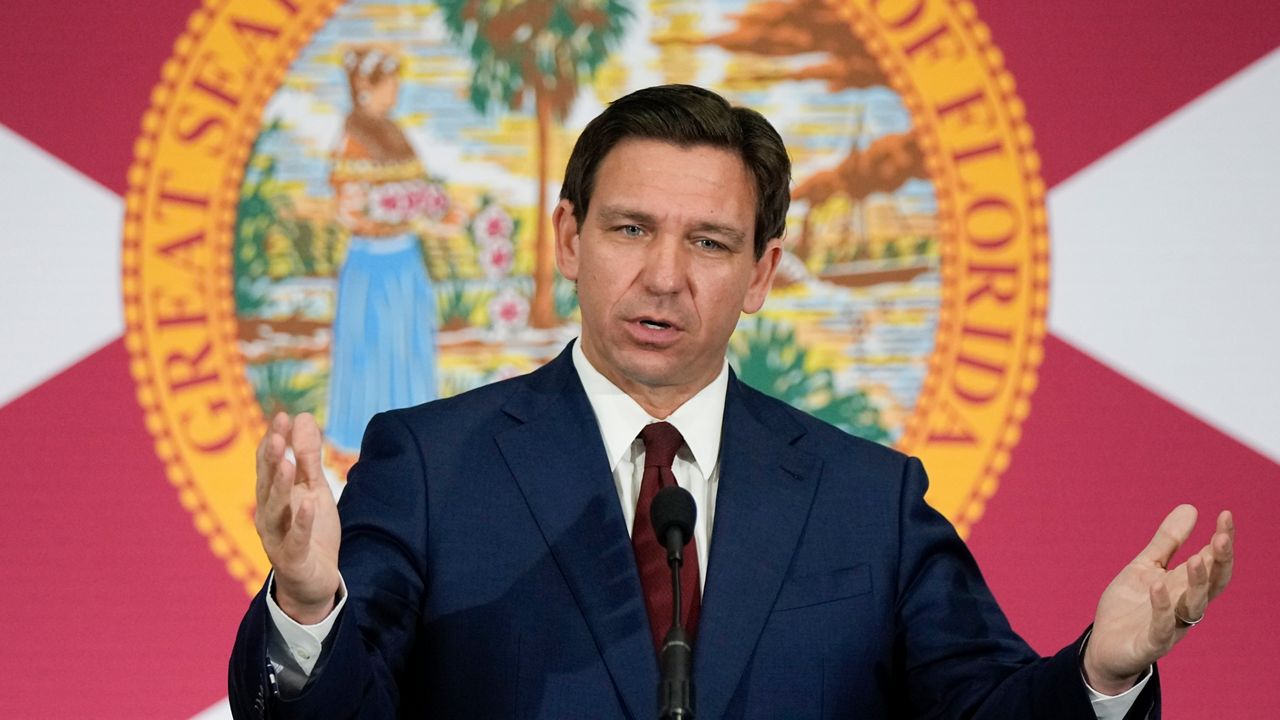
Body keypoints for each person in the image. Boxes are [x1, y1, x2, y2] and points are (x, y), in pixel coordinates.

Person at [230, 85, 1234, 718]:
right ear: (566, 240)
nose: (663, 277)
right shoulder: (432, 465)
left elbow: (984, 710)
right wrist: (310, 604)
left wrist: (1100, 677)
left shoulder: (865, 499)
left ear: (760, 274)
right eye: (629, 230)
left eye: (708, 244)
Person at [325, 45, 439, 476]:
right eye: (388, 84)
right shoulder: (352, 137)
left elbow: (419, 191)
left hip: (405, 262)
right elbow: (348, 207)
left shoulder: (395, 133)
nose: (395, 92)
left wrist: (429, 210)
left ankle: (415, 449)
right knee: (370, 354)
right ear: (364, 88)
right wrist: (383, 214)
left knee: (406, 352)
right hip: (371, 266)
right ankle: (358, 454)